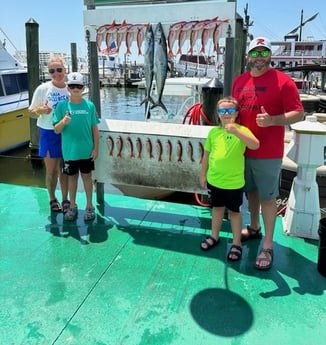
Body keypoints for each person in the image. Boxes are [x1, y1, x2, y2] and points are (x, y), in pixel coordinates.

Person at [232, 37, 304, 270]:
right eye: (256, 52)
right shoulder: (239, 81)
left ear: (270, 56)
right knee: (250, 192)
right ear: (248, 56)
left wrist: (273, 120)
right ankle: (254, 228)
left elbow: (298, 113)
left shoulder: (283, 82)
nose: (260, 57)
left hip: (268, 153)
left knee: (268, 199)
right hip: (242, 150)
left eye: (264, 53)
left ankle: (268, 244)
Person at [199, 96, 259, 261]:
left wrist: (237, 132)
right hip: (215, 180)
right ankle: (214, 236)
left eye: (230, 110)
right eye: (222, 111)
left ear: (237, 113)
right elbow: (206, 156)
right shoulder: (213, 132)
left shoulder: (242, 130)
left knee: (234, 212)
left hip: (233, 183)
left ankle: (236, 243)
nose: (226, 114)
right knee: (217, 209)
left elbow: (255, 145)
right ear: (217, 113)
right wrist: (203, 175)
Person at [53, 72, 100, 221]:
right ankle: (72, 206)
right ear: (67, 87)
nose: (75, 89)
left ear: (83, 88)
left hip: (86, 151)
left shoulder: (90, 105)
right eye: (72, 86)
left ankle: (89, 206)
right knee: (72, 179)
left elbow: (95, 128)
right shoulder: (61, 106)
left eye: (78, 86)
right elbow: (56, 129)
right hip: (69, 153)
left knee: (87, 178)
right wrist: (63, 122)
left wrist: (96, 148)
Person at [29, 56, 70, 213]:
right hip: (48, 132)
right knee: (51, 170)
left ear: (64, 70)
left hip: (67, 133)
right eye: (52, 70)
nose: (56, 73)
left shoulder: (70, 88)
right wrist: (40, 110)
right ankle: (52, 198)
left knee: (65, 169)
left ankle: (66, 198)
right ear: (49, 72)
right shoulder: (42, 89)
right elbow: (31, 113)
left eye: (59, 70)